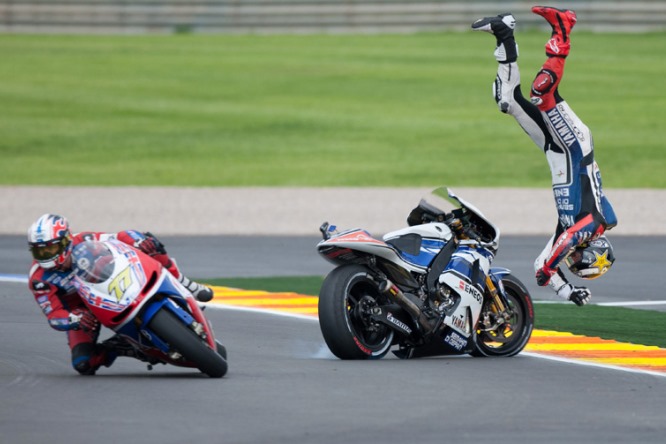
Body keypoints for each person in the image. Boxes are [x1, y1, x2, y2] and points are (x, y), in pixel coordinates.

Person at [471, 7, 617, 305]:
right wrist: (553, 264)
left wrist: (567, 291)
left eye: (572, 263)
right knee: (542, 92)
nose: (571, 259)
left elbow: (541, 266)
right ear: (594, 248)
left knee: (507, 100)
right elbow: (564, 246)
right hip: (575, 147)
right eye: (578, 259)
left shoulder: (573, 232)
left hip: (554, 149)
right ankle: (564, 28)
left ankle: (503, 31)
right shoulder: (593, 223)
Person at [27, 213, 215, 375]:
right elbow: (54, 316)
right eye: (39, 250)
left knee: (152, 244)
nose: (45, 255)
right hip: (83, 312)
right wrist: (74, 319)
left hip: (109, 283)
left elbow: (121, 236)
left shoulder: (84, 240)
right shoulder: (39, 280)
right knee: (83, 364)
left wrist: (139, 241)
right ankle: (119, 347)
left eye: (49, 248)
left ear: (65, 241)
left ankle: (185, 283)